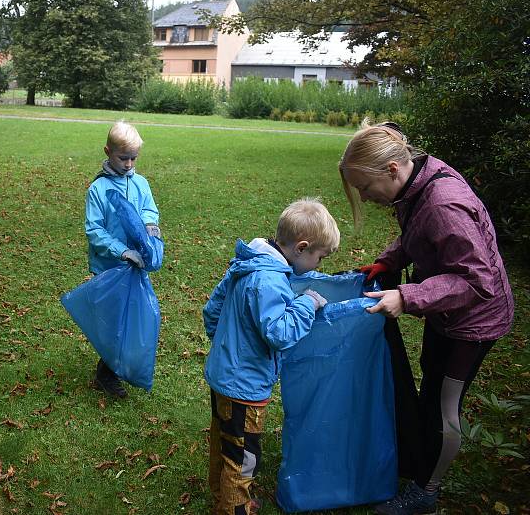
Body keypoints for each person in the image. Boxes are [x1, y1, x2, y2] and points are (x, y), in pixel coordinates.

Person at [339, 120, 514, 515]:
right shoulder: (419, 182)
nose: (363, 198)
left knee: (444, 404)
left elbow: (478, 278)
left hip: (474, 322)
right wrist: (390, 259)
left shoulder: (443, 202)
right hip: (448, 313)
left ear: (391, 170)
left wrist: (408, 295)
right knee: (431, 387)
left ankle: (426, 491)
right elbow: (420, 233)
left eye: (365, 188)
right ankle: (420, 460)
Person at [203, 198, 339, 515]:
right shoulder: (272, 280)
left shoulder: (247, 262)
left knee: (224, 440)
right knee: (243, 455)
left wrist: (228, 344)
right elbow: (279, 334)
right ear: (302, 248)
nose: (319, 265)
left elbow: (212, 311)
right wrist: (307, 303)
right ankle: (235, 508)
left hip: (223, 375)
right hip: (246, 387)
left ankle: (220, 495)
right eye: (320, 257)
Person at [84, 121, 160, 398]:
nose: (129, 164)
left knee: (130, 317)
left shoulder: (140, 183)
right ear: (108, 151)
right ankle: (106, 372)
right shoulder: (99, 189)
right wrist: (121, 251)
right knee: (113, 321)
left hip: (137, 266)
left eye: (133, 158)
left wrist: (152, 234)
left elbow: (149, 211)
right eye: (123, 158)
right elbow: (94, 230)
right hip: (109, 267)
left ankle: (115, 365)